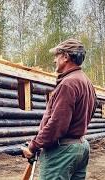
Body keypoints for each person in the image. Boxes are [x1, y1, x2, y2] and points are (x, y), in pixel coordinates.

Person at [21, 39, 96, 179]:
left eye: (57, 55)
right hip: (81, 146)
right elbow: (90, 113)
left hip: (62, 151)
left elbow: (57, 124)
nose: (54, 60)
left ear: (66, 57)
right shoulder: (86, 82)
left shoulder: (68, 84)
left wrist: (33, 146)